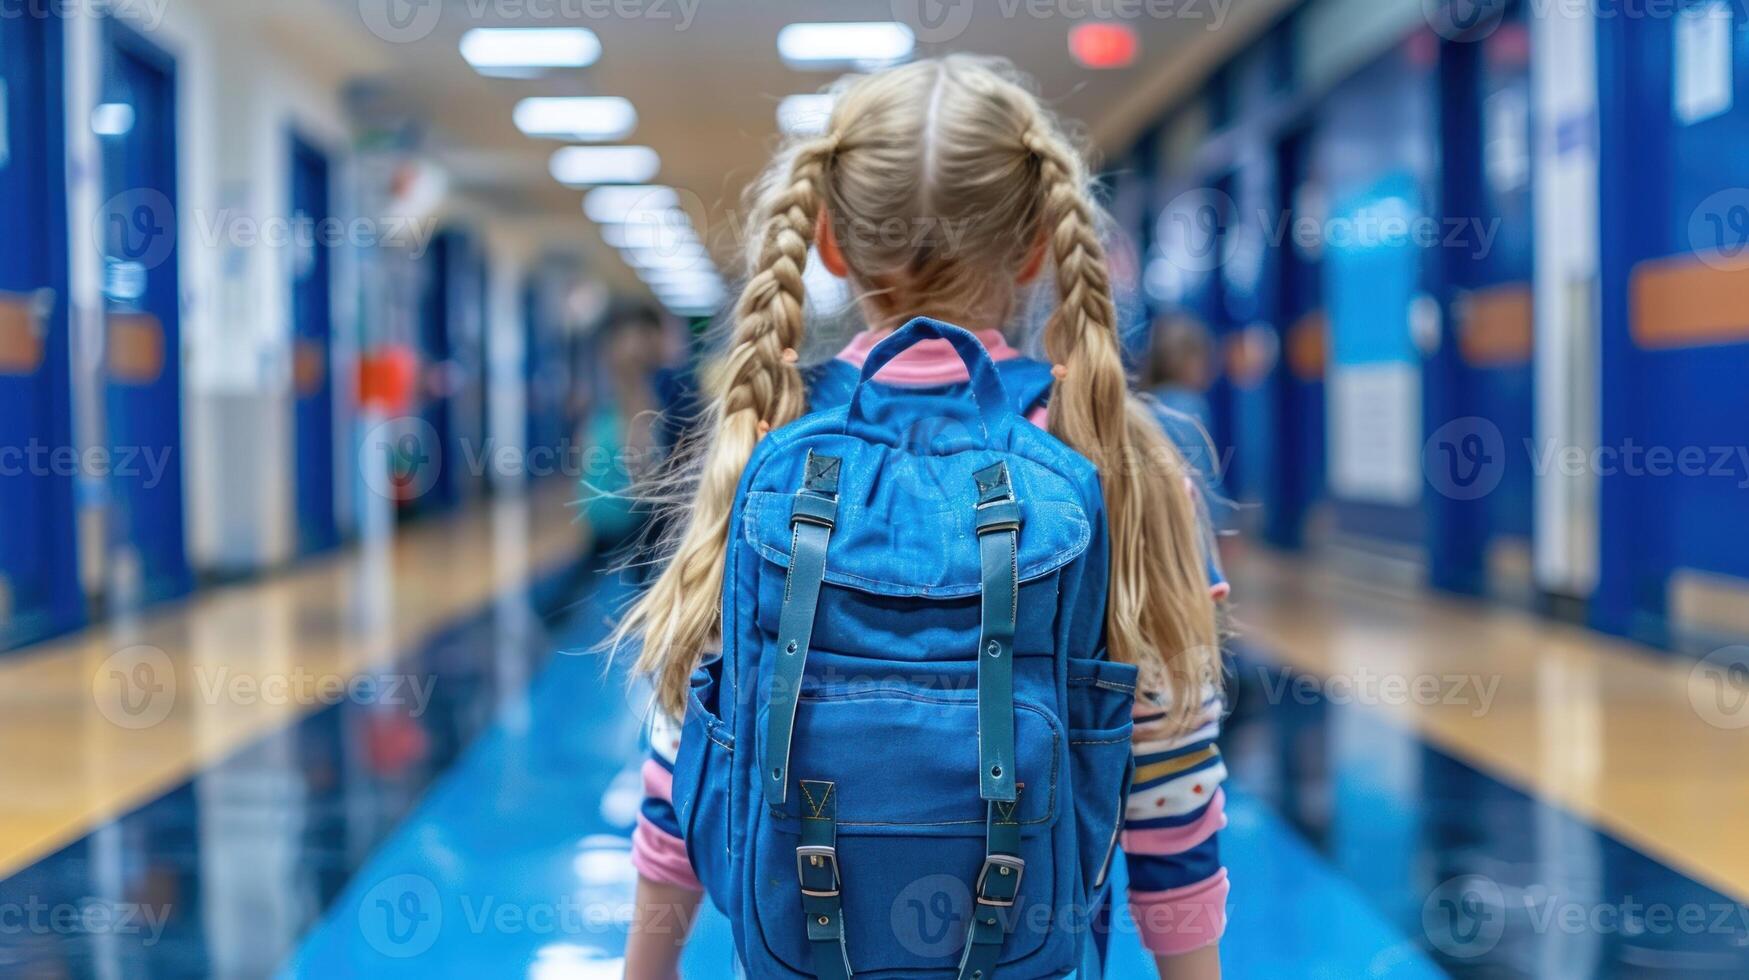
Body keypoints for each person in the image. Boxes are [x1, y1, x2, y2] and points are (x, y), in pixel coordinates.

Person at [618, 56, 1229, 979]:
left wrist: (645, 967)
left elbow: (685, 749)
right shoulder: (1115, 456)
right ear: (1035, 248)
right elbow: (1166, 778)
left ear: (827, 242)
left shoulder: (768, 438)